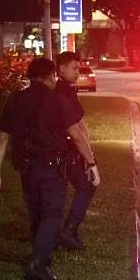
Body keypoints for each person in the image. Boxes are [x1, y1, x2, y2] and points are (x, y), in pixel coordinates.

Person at [0, 58, 100, 280]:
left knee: (36, 212)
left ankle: (39, 251)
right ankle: (38, 262)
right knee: (52, 213)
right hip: (52, 167)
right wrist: (91, 163)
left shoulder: (15, 101)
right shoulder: (56, 100)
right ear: (51, 76)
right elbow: (76, 134)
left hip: (26, 168)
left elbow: (2, 137)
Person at [54, 51, 97, 250]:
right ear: (61, 68)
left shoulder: (68, 90)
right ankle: (68, 230)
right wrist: (90, 161)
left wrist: (88, 153)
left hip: (71, 150)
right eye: (74, 68)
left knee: (85, 185)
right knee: (87, 184)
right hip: (65, 151)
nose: (78, 72)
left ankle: (68, 230)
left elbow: (81, 123)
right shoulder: (61, 92)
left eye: (79, 68)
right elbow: (76, 130)